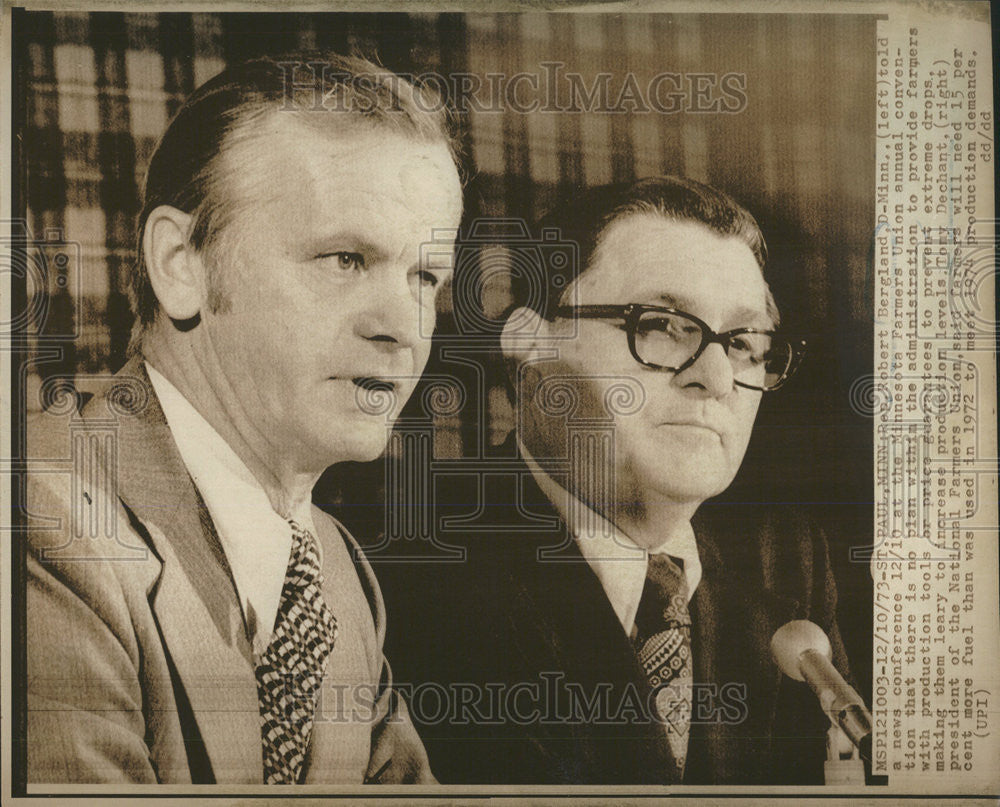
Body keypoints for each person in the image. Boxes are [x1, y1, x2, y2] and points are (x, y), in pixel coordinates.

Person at [24, 53, 463, 784]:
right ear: (180, 263)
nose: (405, 326)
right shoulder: (41, 524)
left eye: (425, 276)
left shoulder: (335, 567)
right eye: (346, 258)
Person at [379, 176, 854, 785]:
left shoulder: (785, 563)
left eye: (742, 343)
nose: (715, 376)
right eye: (660, 324)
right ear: (529, 345)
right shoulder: (402, 562)